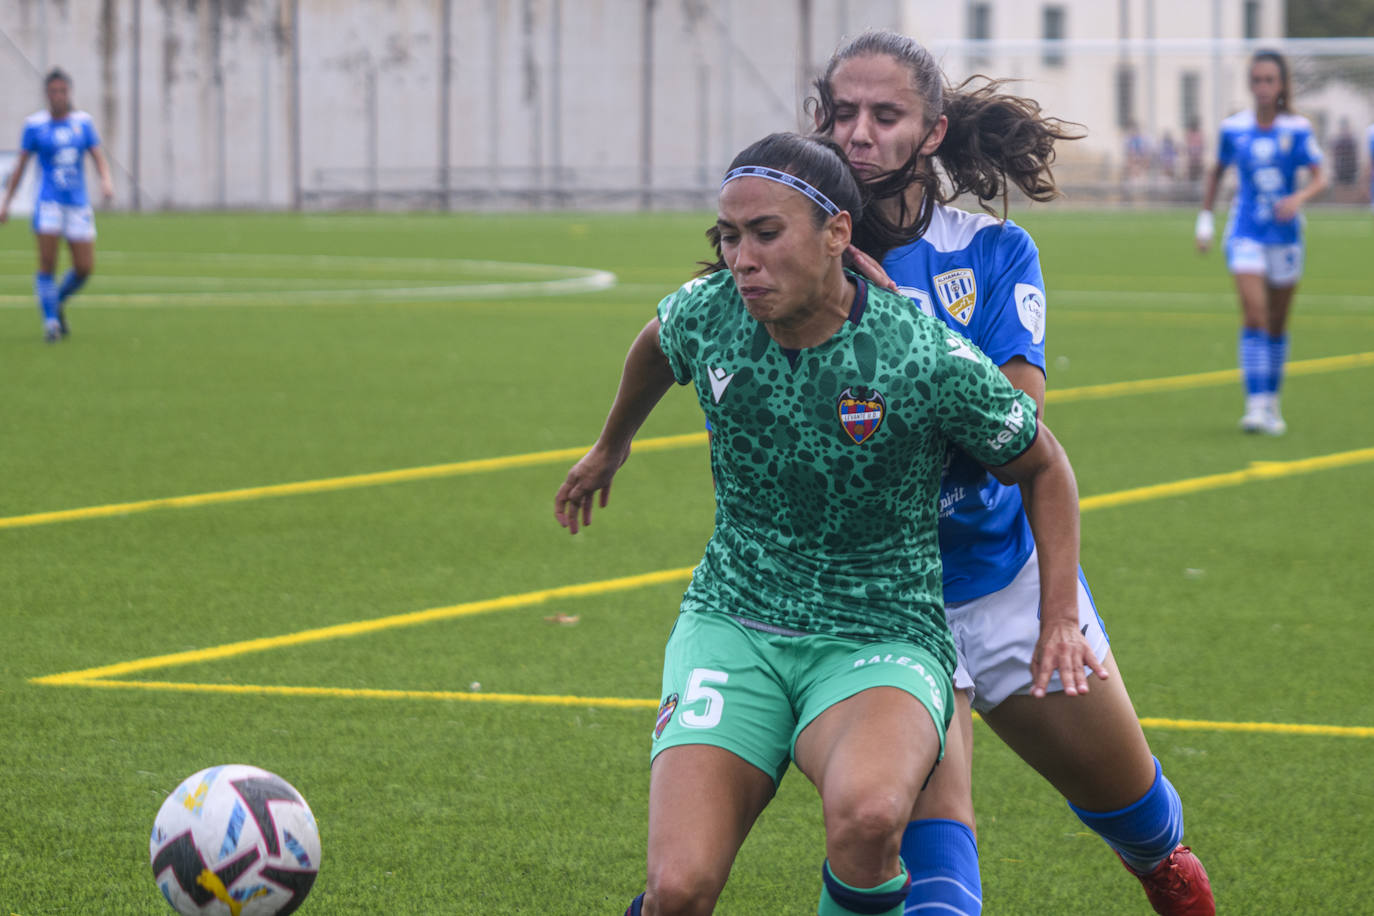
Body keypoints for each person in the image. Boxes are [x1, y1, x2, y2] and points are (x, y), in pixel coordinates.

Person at [554, 132, 1093, 916]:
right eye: (728, 237)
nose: (741, 259)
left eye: (766, 234)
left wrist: (1059, 617)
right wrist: (611, 448)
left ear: (837, 232)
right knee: (678, 887)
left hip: (880, 630)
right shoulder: (710, 315)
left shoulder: (919, 354)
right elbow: (656, 341)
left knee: (870, 817)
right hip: (735, 620)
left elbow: (1043, 465)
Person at [810, 30, 1214, 915]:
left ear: (932, 131)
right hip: (882, 598)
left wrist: (893, 329)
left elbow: (1013, 430)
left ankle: (1160, 867)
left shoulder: (992, 253)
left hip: (1005, 579)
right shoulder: (800, 261)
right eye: (842, 114)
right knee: (934, 874)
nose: (858, 133)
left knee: (1141, 816)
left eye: (886, 115)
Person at [1196, 49, 1327, 436]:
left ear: (1282, 84)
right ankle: (1254, 407)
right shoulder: (1234, 129)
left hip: (1285, 237)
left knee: (1277, 323)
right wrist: (1205, 221)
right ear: (1250, 84)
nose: (1263, 87)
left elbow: (1321, 177)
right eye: (1257, 80)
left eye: (1270, 80)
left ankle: (1272, 403)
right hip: (1246, 232)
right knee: (1254, 315)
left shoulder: (1298, 129)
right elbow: (1215, 172)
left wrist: (1299, 198)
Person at [0, 68, 114, 342]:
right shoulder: (35, 125)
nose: (58, 96)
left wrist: (106, 180)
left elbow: (97, 155)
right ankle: (51, 323)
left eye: (62, 91)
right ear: (47, 94)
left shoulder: (82, 123)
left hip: (77, 203)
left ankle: (57, 301)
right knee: (47, 264)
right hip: (48, 203)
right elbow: (21, 166)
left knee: (84, 268)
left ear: (69, 93)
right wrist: (6, 202)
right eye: (53, 91)